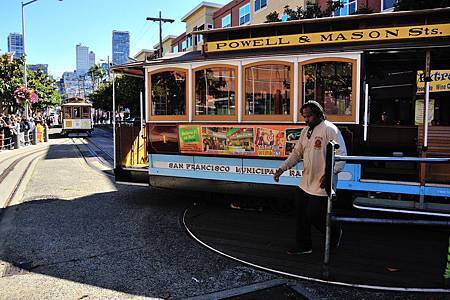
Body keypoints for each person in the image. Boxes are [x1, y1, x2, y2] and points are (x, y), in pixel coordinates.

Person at [273, 101, 347, 255]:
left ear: (319, 114)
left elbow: (342, 156)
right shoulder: (306, 130)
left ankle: (334, 232)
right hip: (305, 182)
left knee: (315, 214)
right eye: (304, 117)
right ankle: (304, 246)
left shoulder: (330, 129)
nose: (306, 119)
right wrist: (282, 168)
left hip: (322, 182)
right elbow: (296, 153)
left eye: (310, 116)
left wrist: (329, 174)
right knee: (300, 214)